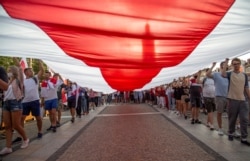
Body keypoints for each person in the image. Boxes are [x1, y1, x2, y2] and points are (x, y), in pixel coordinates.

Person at [0, 63, 29, 155]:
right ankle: (8, 147)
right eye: (8, 71)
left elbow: (20, 70)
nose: (8, 72)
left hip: (15, 102)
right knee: (8, 126)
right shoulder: (8, 81)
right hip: (6, 103)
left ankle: (25, 139)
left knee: (16, 125)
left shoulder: (18, 80)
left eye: (9, 71)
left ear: (14, 72)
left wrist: (18, 65)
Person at [222, 58, 250, 146]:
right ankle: (230, 133)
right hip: (232, 99)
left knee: (244, 119)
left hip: (243, 100)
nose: (236, 65)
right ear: (232, 65)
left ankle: (244, 138)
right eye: (234, 64)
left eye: (237, 63)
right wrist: (226, 63)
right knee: (232, 118)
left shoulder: (244, 75)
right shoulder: (230, 74)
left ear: (240, 64)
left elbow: (246, 87)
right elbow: (223, 74)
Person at [207, 61, 229, 135]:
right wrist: (213, 66)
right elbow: (208, 74)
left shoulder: (228, 75)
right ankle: (220, 128)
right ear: (221, 67)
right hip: (219, 96)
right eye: (224, 65)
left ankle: (232, 129)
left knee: (231, 113)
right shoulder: (216, 74)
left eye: (226, 65)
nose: (225, 66)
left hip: (228, 97)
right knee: (219, 112)